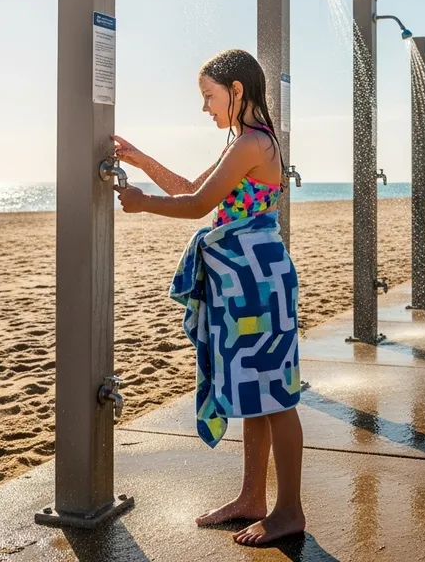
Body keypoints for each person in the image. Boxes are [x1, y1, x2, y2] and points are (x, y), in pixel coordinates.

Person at [111, 49, 305, 547]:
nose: (205, 108)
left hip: (257, 281)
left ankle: (289, 511)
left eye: (208, 96)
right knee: (258, 396)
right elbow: (191, 186)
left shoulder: (252, 142)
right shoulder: (240, 140)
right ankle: (252, 499)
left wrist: (140, 204)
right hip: (247, 278)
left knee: (276, 398)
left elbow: (197, 205)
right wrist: (138, 159)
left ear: (237, 90)